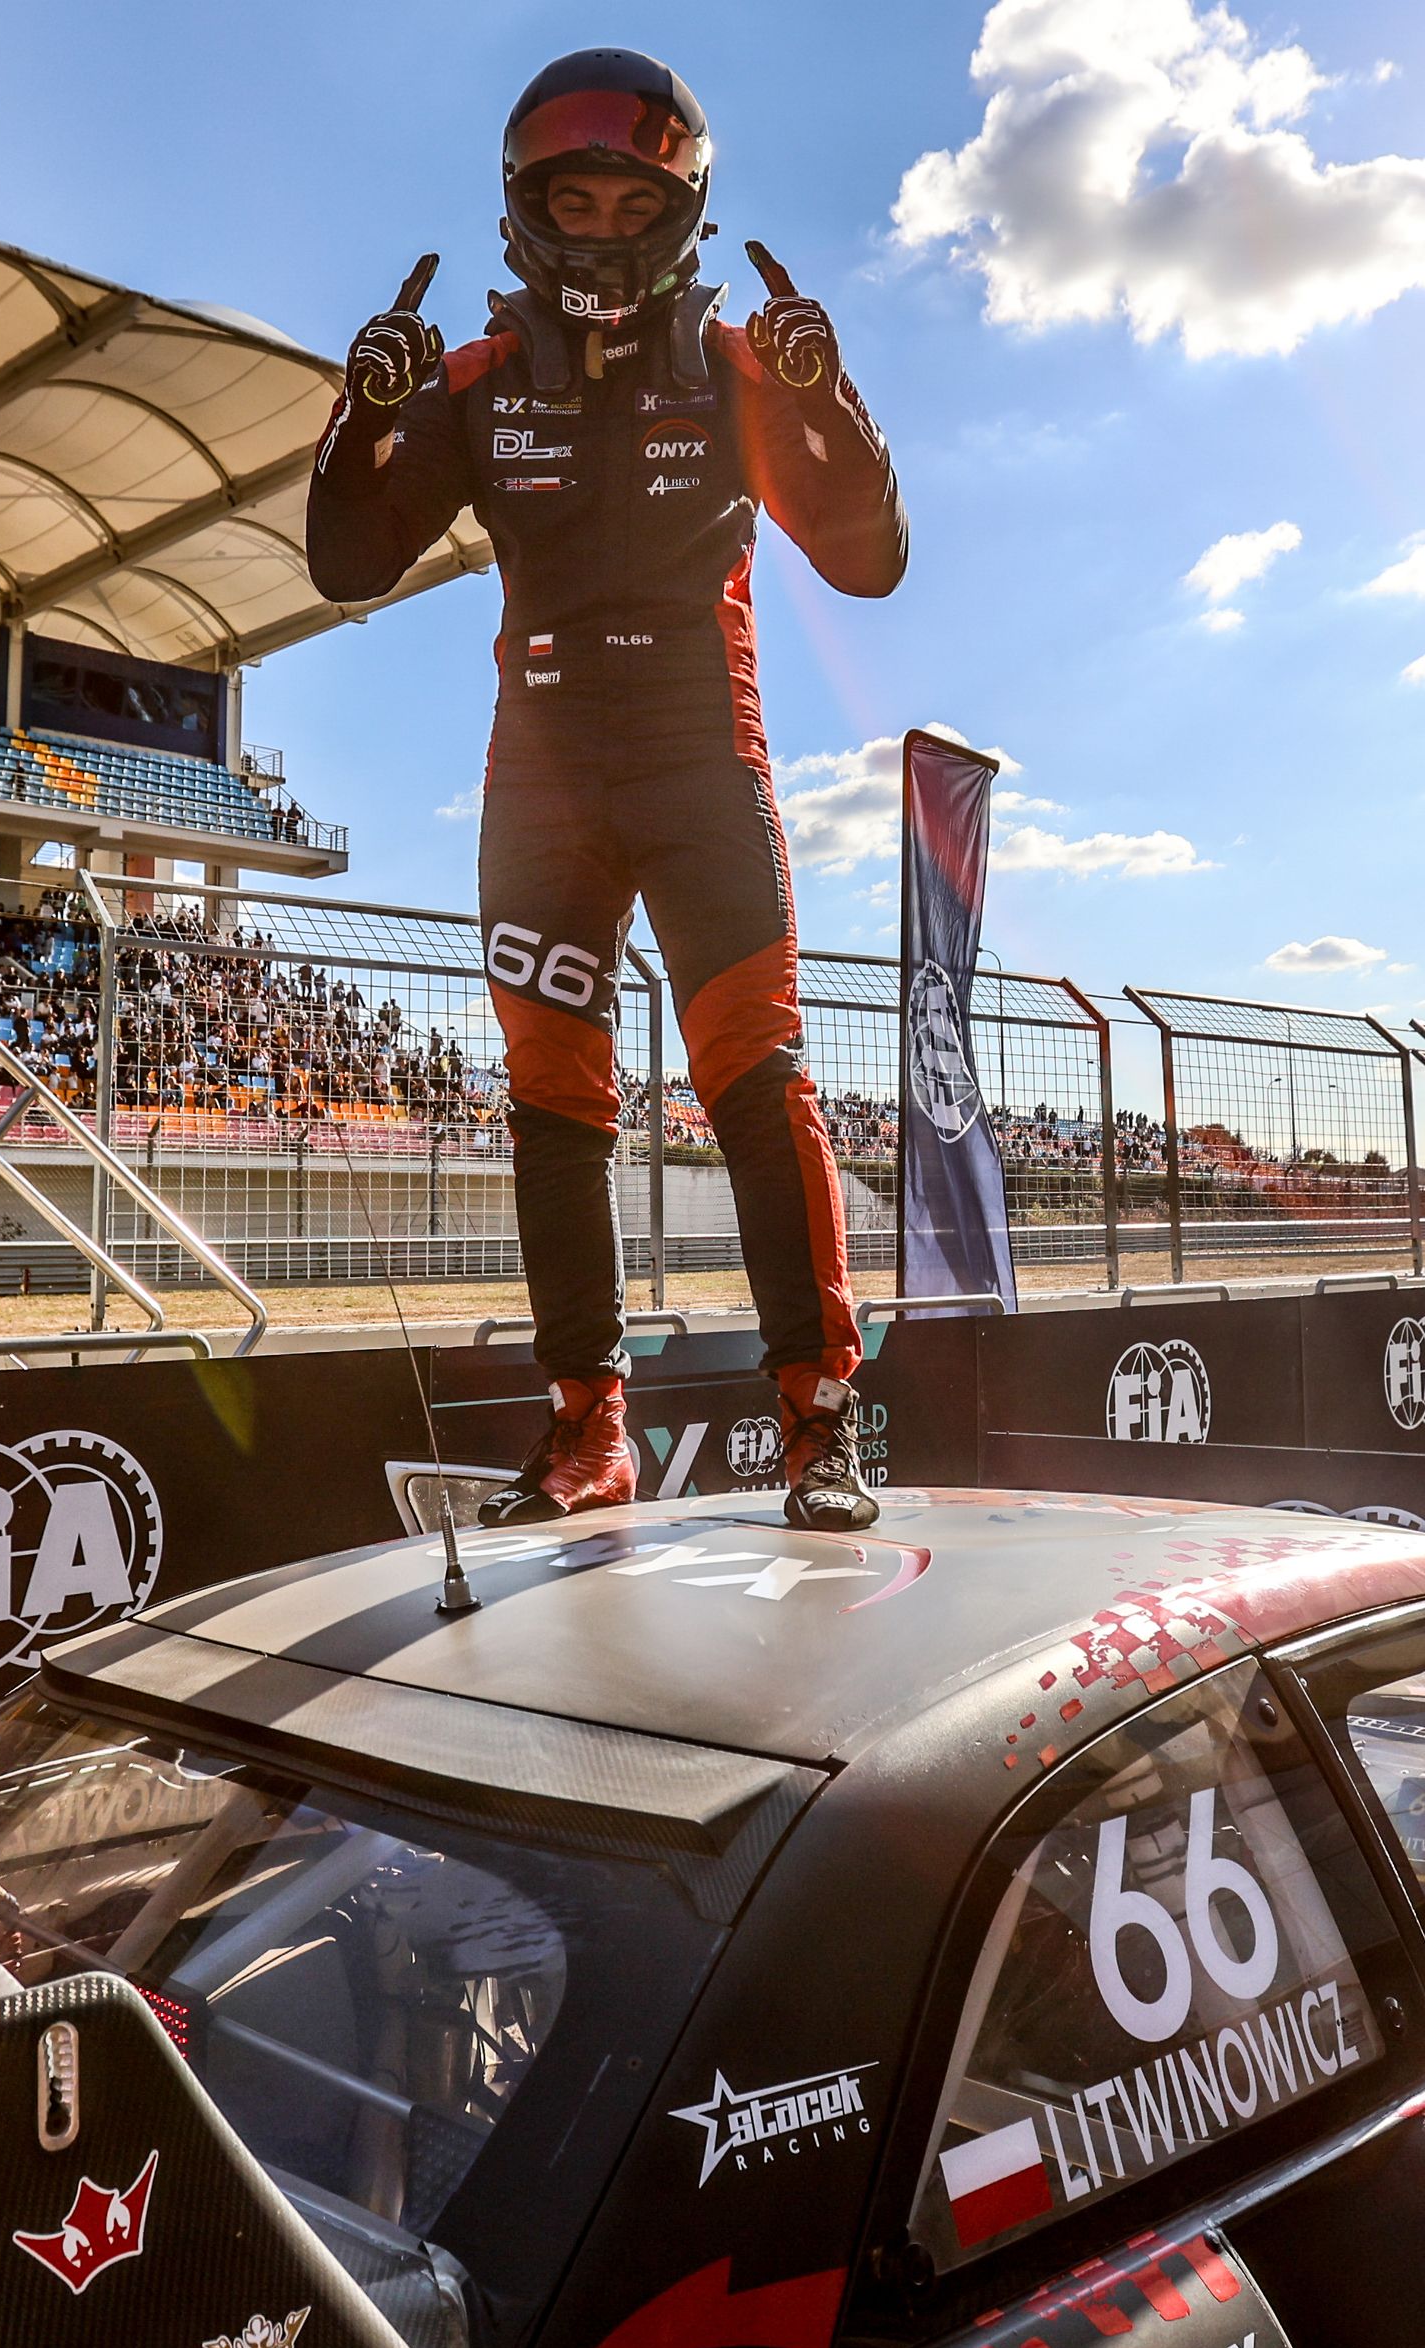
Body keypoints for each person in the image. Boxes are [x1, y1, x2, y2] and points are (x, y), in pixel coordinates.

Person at [308, 48, 908, 1531]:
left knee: (758, 1087)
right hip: (545, 782)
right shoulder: (475, 376)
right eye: (565, 197)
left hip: (706, 764)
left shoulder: (741, 365)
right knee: (552, 1107)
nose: (593, 224)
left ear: (679, 209)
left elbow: (871, 560)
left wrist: (838, 406)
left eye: (623, 196)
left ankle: (822, 1426)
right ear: (525, 210)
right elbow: (346, 562)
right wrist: (358, 418)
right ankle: (587, 1431)